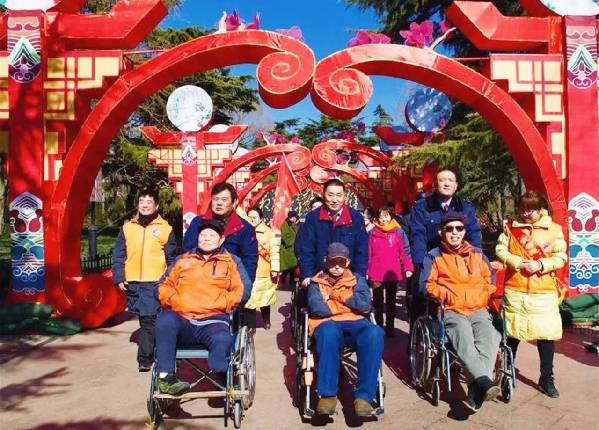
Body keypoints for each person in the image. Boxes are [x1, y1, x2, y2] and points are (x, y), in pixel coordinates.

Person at [154, 220, 252, 395]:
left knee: (222, 340)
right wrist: (176, 301)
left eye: (211, 235)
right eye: (203, 235)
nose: (206, 238)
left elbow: (243, 290)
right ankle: (165, 378)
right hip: (183, 319)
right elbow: (162, 286)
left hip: (214, 320)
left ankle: (221, 371)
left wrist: (223, 302)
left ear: (221, 240)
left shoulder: (231, 261)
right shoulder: (183, 260)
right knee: (164, 320)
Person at [420, 211, 500, 412]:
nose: (454, 232)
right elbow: (426, 285)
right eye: (449, 229)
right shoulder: (434, 256)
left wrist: (484, 293)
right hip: (452, 309)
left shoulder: (478, 254)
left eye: (459, 228)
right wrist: (447, 294)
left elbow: (491, 279)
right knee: (463, 336)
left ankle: (477, 388)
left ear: (464, 231)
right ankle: (483, 381)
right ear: (441, 232)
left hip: (478, 308)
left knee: (489, 337)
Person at [495, 191, 567, 398]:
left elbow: (560, 257)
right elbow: (500, 250)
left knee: (546, 336)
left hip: (543, 291)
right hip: (515, 289)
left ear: (541, 208)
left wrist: (541, 264)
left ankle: (547, 378)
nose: (526, 213)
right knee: (512, 335)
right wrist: (518, 263)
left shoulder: (554, 230)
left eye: (531, 209)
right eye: (523, 209)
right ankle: (506, 374)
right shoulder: (510, 228)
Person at [308, 242, 384, 417]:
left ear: (347, 263)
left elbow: (364, 305)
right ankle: (328, 395)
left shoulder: (357, 280)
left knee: (374, 333)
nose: (337, 266)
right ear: (326, 260)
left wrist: (335, 296)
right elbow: (317, 308)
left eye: (341, 262)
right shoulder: (316, 282)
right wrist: (349, 305)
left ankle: (364, 397)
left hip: (356, 323)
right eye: (333, 262)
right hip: (327, 323)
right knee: (328, 333)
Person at [112, 188, 177, 372]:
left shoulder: (166, 229)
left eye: (149, 202)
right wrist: (119, 276)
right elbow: (119, 254)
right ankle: (157, 347)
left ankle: (144, 358)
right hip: (133, 281)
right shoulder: (127, 228)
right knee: (146, 317)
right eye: (142, 201)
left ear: (156, 205)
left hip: (154, 281)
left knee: (148, 318)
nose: (145, 205)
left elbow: (172, 258)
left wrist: (170, 280)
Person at [408, 168, 482, 323]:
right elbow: (418, 236)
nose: (446, 184)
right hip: (431, 260)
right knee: (420, 299)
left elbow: (473, 234)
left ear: (456, 186)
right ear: (435, 184)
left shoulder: (465, 207)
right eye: (442, 180)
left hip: (458, 263)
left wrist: (476, 259)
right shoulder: (421, 207)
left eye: (450, 181)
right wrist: (421, 264)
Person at [183, 182, 258, 325]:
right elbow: (187, 252)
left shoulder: (244, 228)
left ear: (234, 202)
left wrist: (243, 289)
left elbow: (250, 261)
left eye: (224, 200)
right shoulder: (198, 223)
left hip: (228, 287)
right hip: (197, 283)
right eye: (216, 199)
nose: (219, 203)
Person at [296, 178, 369, 288]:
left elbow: (362, 250)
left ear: (344, 196)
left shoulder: (355, 218)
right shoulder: (313, 218)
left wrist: (360, 276)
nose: (335, 200)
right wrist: (308, 275)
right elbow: (307, 249)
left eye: (339, 195)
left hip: (347, 278)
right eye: (330, 195)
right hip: (319, 277)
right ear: (323, 195)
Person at [367, 207, 413, 337]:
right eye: (381, 217)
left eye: (386, 216)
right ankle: (379, 326)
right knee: (377, 301)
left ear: (391, 217)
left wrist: (408, 267)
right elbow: (367, 253)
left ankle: (390, 328)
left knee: (391, 301)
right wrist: (366, 269)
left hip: (392, 270)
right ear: (377, 218)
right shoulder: (371, 233)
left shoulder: (398, 232)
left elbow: (404, 251)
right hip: (376, 270)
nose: (384, 219)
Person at [245, 207, 280, 331]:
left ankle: (266, 321)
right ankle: (251, 326)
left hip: (264, 271)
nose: (252, 220)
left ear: (261, 218)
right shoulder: (244, 231)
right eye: (249, 217)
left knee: (265, 298)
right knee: (249, 300)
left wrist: (275, 269)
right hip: (248, 270)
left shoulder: (268, 232)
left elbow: (274, 251)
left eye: (254, 217)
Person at [280, 210, 300, 288]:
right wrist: (296, 238)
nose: (293, 219)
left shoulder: (296, 224)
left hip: (293, 251)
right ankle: (286, 286)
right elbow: (286, 239)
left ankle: (291, 285)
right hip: (287, 252)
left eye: (294, 217)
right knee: (287, 270)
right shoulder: (285, 225)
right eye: (291, 217)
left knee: (293, 270)